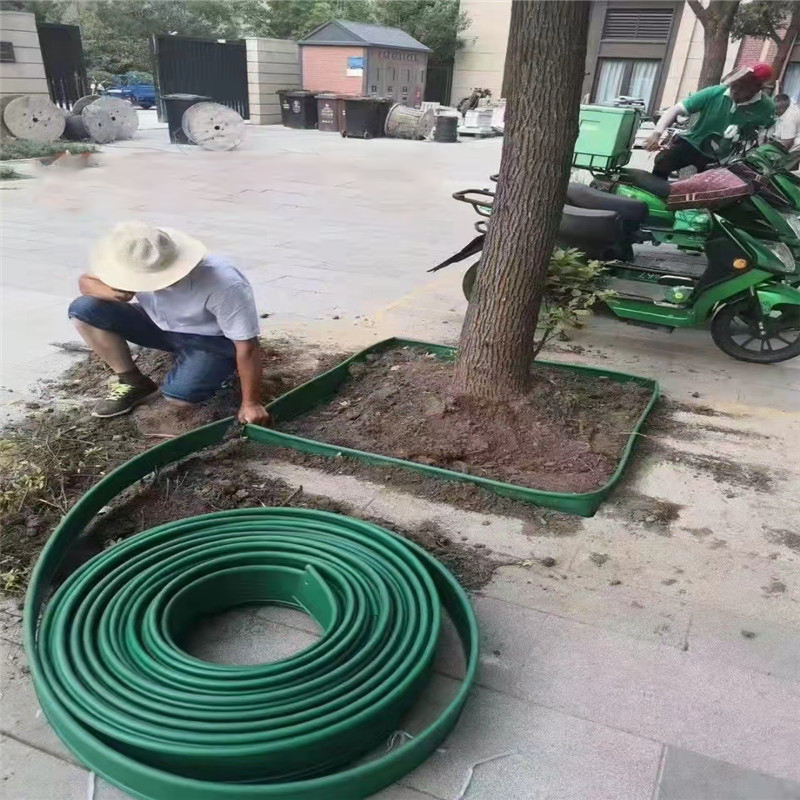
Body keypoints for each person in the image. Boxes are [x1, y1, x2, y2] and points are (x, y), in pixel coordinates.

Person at [68, 221, 271, 425]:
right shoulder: (132, 259)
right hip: (159, 324)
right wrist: (115, 293)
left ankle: (216, 371)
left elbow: (248, 346)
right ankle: (132, 380)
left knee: (179, 398)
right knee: (83, 309)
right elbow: (86, 281)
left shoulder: (225, 284)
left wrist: (251, 403)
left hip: (211, 339)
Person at [645, 63, 775, 178]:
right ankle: (655, 194)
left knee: (710, 187)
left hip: (724, 156)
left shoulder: (766, 107)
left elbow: (765, 135)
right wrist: (657, 133)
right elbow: (675, 110)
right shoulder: (715, 93)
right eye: (733, 85)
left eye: (741, 87)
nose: (733, 90)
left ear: (756, 88)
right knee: (663, 160)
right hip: (693, 142)